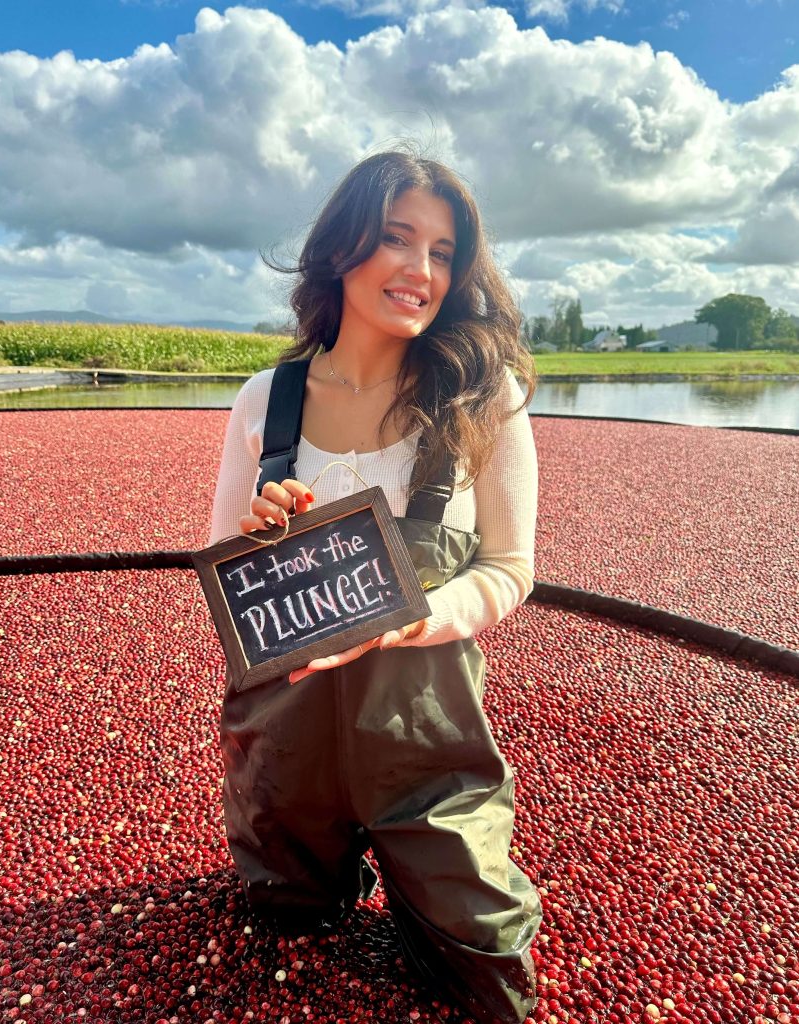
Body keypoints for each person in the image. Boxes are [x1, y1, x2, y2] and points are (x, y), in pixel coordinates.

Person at [209, 149, 542, 1024]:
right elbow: (219, 566)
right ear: (342, 246)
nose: (419, 269)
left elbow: (510, 569)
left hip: (422, 738)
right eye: (397, 238)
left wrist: (415, 618)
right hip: (285, 740)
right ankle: (311, 856)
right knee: (289, 916)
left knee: (487, 973)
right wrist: (261, 537)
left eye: (441, 251)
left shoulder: (482, 393)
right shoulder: (263, 399)